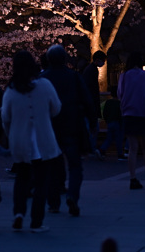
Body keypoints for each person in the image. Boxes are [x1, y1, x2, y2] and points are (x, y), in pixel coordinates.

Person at [1, 49, 61, 233]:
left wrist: (10, 134)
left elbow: (5, 116)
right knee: (41, 183)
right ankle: (36, 221)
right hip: (43, 140)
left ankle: (19, 213)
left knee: (22, 180)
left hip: (20, 140)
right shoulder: (44, 85)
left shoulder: (11, 89)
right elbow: (56, 108)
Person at [40, 44, 94, 217]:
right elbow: (87, 100)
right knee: (75, 166)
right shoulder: (74, 77)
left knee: (52, 166)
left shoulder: (43, 79)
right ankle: (72, 195)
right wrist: (92, 122)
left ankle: (54, 202)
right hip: (72, 126)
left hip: (50, 127)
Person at [116, 51, 145, 190]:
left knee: (132, 149)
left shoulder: (124, 76)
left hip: (129, 114)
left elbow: (120, 94)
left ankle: (133, 178)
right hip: (144, 114)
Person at [82, 51, 107, 151]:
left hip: (87, 104)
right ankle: (91, 147)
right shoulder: (92, 70)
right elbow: (93, 89)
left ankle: (89, 147)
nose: (103, 63)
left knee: (90, 127)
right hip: (90, 104)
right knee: (93, 127)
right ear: (98, 60)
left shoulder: (89, 69)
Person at [98, 87, 124, 158]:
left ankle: (102, 149)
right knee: (119, 139)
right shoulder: (119, 103)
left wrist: (106, 120)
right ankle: (120, 154)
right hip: (117, 123)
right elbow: (120, 114)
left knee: (109, 138)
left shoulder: (108, 102)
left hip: (109, 122)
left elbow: (105, 112)